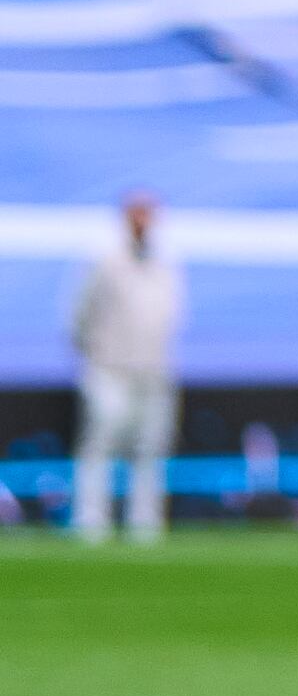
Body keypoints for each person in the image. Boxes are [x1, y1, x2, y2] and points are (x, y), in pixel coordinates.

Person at [68, 190, 184, 545]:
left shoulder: (165, 262)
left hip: (153, 368)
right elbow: (79, 315)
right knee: (101, 441)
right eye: (138, 213)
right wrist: (95, 355)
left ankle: (144, 521)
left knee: (150, 445)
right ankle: (91, 519)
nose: (144, 220)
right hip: (109, 366)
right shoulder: (104, 260)